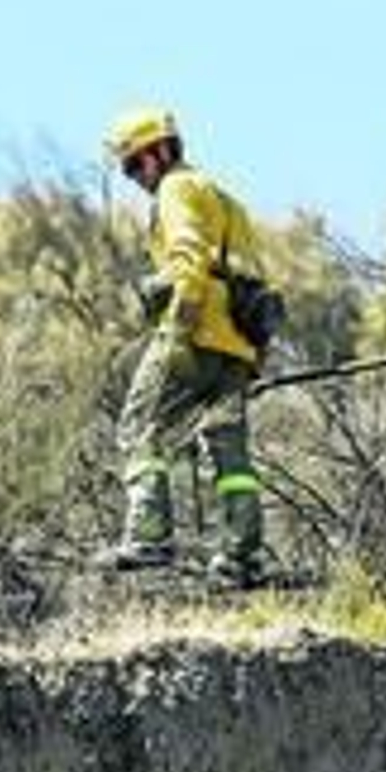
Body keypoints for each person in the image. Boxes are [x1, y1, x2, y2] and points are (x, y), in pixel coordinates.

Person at [96, 106, 270, 588]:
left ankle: (150, 537)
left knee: (139, 426)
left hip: (194, 332)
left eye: (134, 165)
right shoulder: (223, 198)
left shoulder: (175, 189)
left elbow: (189, 260)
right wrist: (255, 357)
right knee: (229, 454)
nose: (134, 177)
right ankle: (242, 556)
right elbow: (257, 280)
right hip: (237, 345)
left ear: (159, 152)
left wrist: (176, 326)